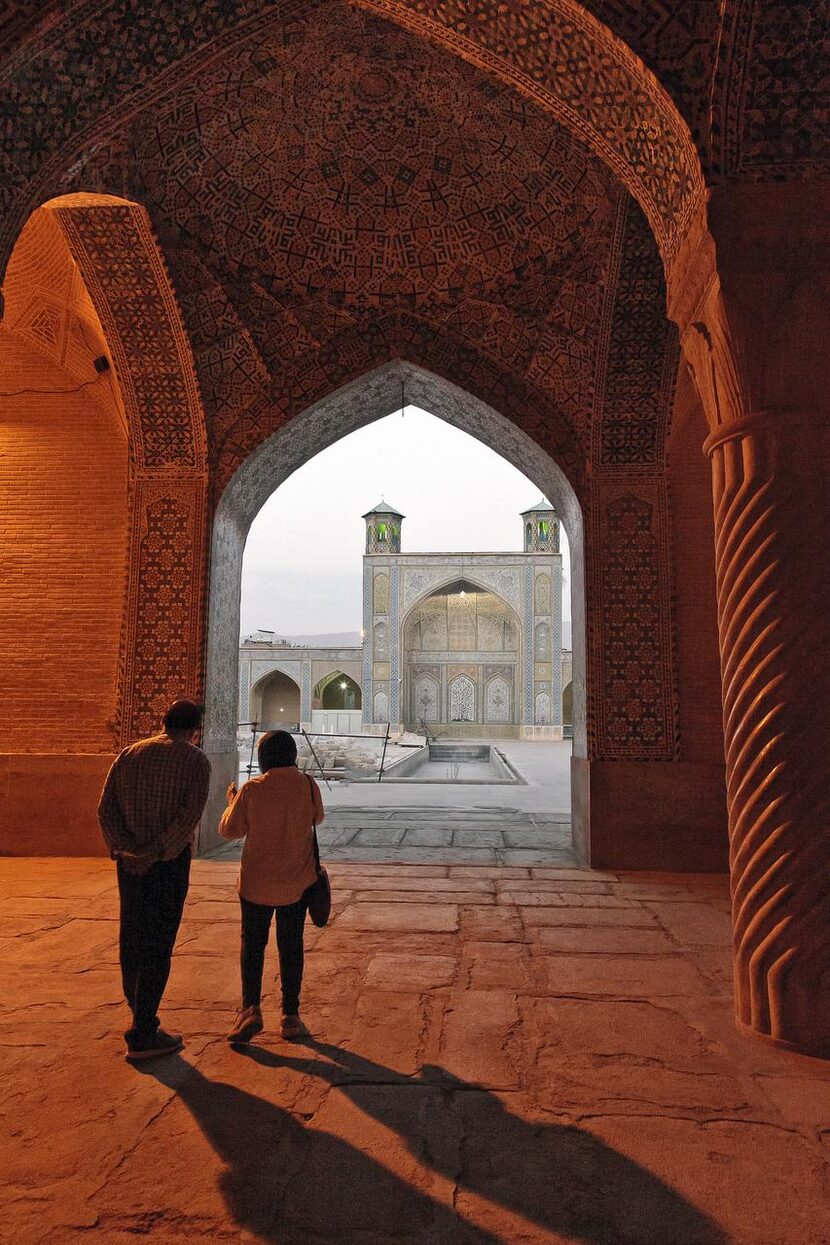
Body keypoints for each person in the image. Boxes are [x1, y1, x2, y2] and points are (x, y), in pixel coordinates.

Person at [97, 698, 210, 1061]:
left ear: (164, 721)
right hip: (167, 865)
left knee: (132, 936)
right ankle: (144, 1030)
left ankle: (138, 1014)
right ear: (196, 728)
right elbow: (188, 818)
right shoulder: (196, 761)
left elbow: (105, 810)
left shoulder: (129, 754)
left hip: (130, 866)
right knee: (159, 942)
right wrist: (157, 853)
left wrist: (125, 850)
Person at [219, 729, 324, 1043]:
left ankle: (250, 1009)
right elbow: (317, 819)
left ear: (263, 757)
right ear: (292, 755)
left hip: (256, 884)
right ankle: (290, 1016)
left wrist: (232, 801)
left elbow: (229, 830)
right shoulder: (307, 784)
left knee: (253, 946)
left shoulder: (252, 789)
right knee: (291, 946)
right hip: (298, 880)